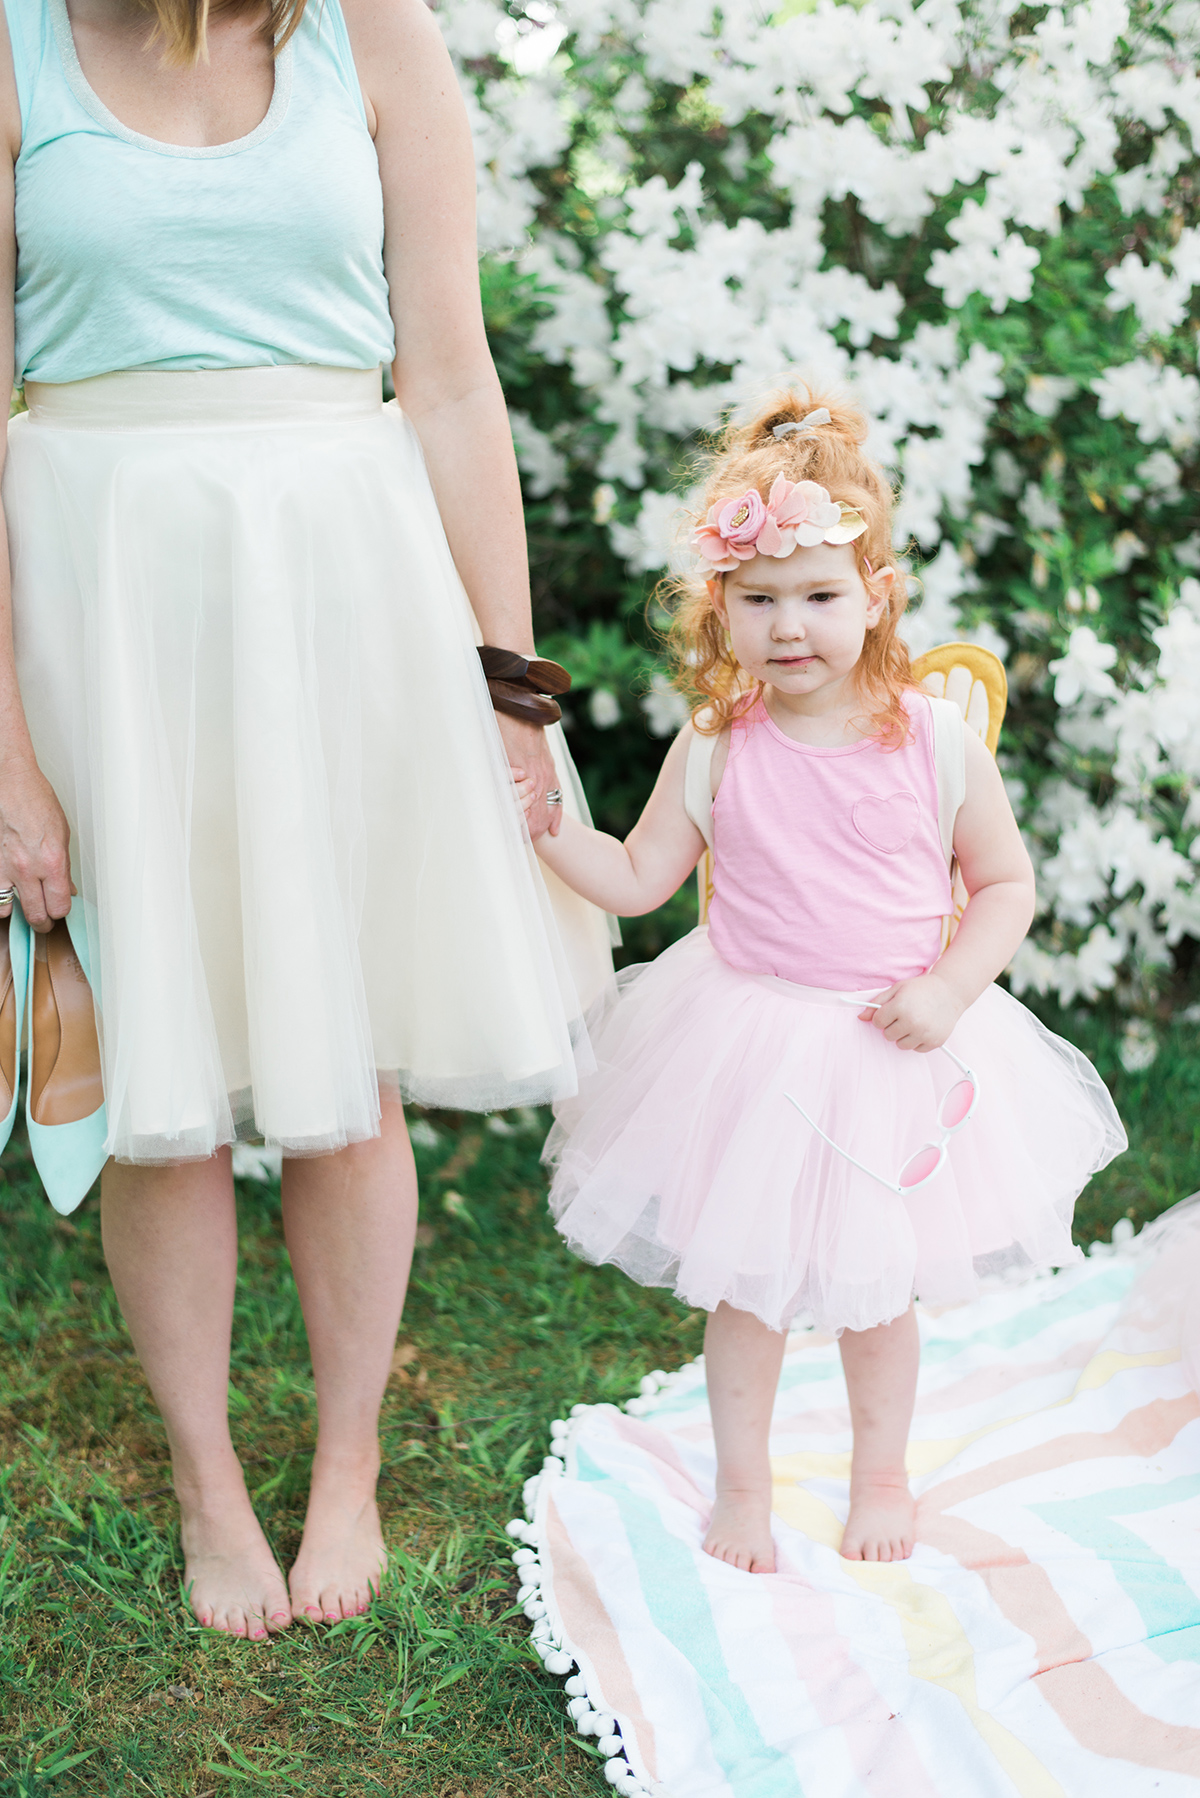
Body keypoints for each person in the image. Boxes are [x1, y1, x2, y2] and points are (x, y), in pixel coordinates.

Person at [0, 0, 608, 1638]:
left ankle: (347, 1470)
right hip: (101, 603)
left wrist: (510, 682)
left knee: (359, 1067)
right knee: (153, 1066)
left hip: (342, 583)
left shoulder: (374, 36)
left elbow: (455, 382)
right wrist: (6, 755)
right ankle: (208, 1481)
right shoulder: (15, 47)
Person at [527, 389, 1127, 1573]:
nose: (788, 627)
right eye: (758, 599)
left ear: (877, 597)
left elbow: (1005, 884)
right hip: (747, 1041)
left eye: (818, 596)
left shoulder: (933, 742)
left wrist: (953, 986)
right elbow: (642, 876)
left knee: (876, 1292)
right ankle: (741, 1489)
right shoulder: (715, 740)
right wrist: (545, 826)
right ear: (721, 606)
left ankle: (882, 1476)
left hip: (890, 1044)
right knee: (745, 1294)